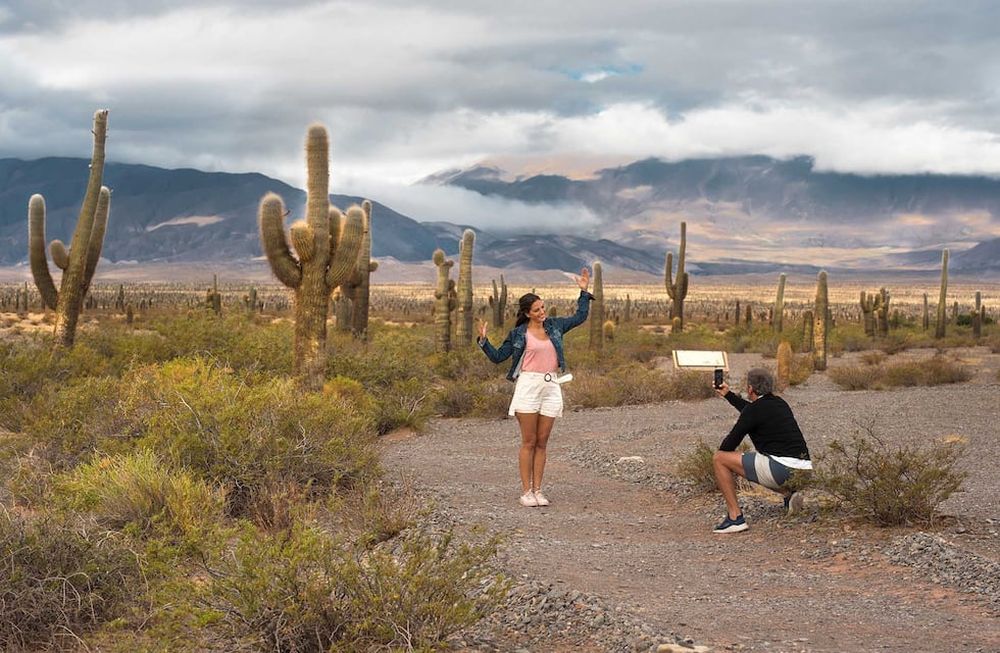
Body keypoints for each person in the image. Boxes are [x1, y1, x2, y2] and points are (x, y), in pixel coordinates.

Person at [477, 268, 592, 507]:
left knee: (542, 442)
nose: (542, 312)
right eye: (537, 310)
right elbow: (498, 357)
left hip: (551, 386)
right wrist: (484, 341)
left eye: (543, 307)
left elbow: (580, 317)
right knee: (528, 441)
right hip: (528, 386)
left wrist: (583, 292)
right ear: (527, 313)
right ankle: (526, 492)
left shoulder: (555, 326)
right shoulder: (518, 334)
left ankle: (538, 490)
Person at [711, 367, 812, 533]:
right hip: (804, 472)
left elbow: (728, 446)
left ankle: (735, 518)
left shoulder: (753, 411)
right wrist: (728, 395)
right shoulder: (780, 403)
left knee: (719, 458)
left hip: (781, 471)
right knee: (769, 461)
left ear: (750, 388)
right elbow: (753, 411)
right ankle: (789, 494)